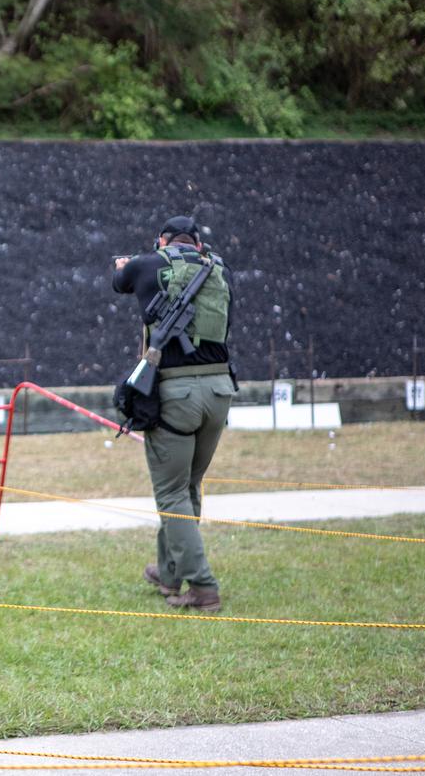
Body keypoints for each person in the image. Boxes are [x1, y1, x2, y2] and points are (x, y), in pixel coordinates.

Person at [112, 215, 235, 612]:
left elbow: (121, 282)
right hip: (219, 389)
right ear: (198, 244)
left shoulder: (148, 263)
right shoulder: (220, 271)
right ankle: (169, 574)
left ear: (162, 240)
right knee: (189, 486)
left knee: (170, 493)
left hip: (177, 393)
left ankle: (202, 586)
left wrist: (127, 264)